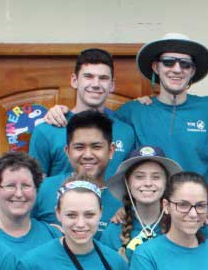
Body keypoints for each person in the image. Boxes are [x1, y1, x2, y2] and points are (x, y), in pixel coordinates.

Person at [114, 33, 208, 193]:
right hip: (150, 209)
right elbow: (94, 133)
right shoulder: (133, 111)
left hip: (198, 211)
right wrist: (66, 113)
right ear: (155, 67)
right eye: (168, 62)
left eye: (185, 64)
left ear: (193, 70)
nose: (177, 69)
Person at [30, 47, 136, 180]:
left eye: (103, 78)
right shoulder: (47, 130)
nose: (96, 84)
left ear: (112, 85)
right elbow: (37, 188)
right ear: (74, 80)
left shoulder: (126, 132)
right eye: (88, 76)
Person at [31, 110, 121, 231]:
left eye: (96, 147)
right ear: (67, 151)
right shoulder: (43, 189)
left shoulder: (121, 199)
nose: (88, 155)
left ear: (111, 151)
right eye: (79, 147)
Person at [99, 146, 181, 258]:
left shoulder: (179, 224)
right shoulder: (113, 231)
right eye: (139, 177)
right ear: (128, 183)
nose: (148, 183)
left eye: (156, 177)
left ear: (166, 183)